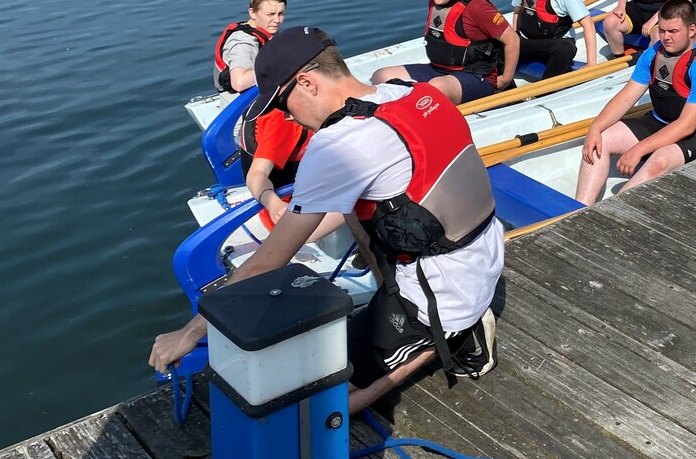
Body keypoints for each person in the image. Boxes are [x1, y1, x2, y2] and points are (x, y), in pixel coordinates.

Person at [152, 26, 504, 414]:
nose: (289, 118)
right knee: (361, 207)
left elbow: (271, 259)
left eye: (284, 105)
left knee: (311, 400)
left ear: (307, 83)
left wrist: (189, 332)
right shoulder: (412, 91)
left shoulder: (339, 143)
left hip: (443, 296)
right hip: (485, 253)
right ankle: (420, 313)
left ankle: (452, 337)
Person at [575, 0, 696, 205]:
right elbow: (626, 97)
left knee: (656, 162)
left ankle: (614, 209)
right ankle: (580, 208)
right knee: (601, 139)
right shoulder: (654, 53)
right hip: (660, 121)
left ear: (692, 30)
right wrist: (595, 128)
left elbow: (686, 126)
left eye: (673, 31)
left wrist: (638, 150)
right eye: (662, 30)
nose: (666, 38)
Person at [371, 0, 520, 105]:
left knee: (436, 87)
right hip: (438, 70)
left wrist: (505, 79)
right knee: (380, 76)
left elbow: (512, 39)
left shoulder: (477, 8)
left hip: (475, 76)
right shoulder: (435, 4)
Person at [509, 0, 598, 79]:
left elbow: (588, 24)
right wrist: (514, 37)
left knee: (564, 49)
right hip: (527, 42)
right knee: (496, 44)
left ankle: (544, 92)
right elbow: (517, 12)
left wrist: (591, 64)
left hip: (554, 43)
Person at [213, 0, 286, 105]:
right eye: (270, 14)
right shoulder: (243, 43)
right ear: (252, 13)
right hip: (243, 114)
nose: (277, 20)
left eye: (281, 13)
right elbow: (239, 83)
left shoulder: (266, 29)